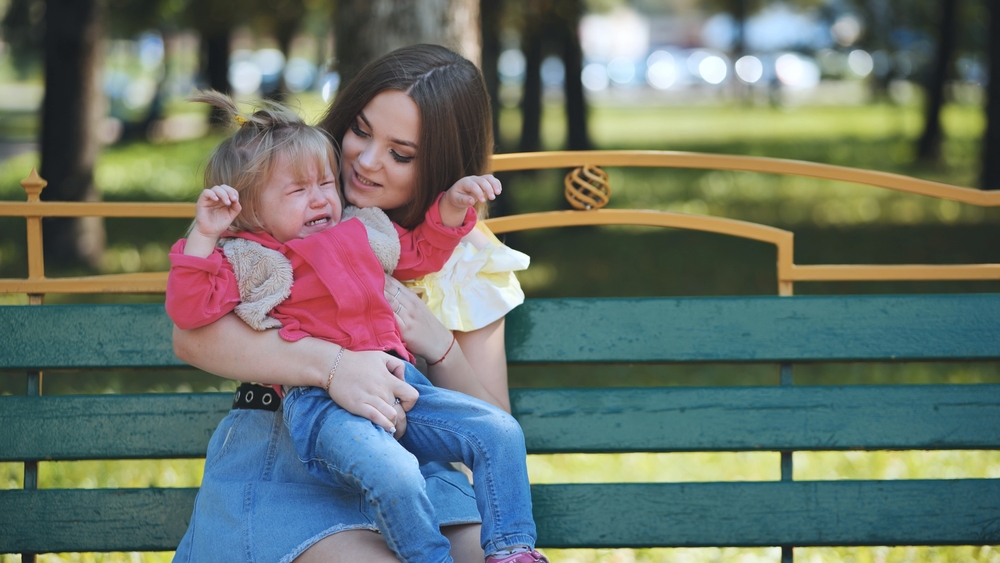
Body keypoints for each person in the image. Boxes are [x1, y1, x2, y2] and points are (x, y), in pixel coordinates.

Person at [170, 44, 541, 563]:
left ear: (440, 163)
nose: (366, 162)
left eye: (401, 153)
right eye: (362, 131)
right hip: (289, 456)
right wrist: (334, 367)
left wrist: (440, 345)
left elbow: (492, 423)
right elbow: (191, 333)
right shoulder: (283, 210)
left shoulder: (466, 257)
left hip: (418, 466)